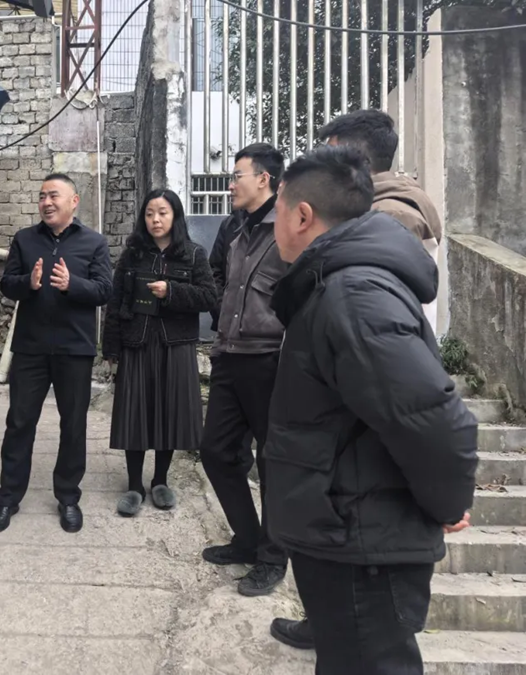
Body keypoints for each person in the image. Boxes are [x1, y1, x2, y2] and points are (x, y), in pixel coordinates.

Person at [266, 145, 478, 674]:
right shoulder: (338, 284)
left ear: (302, 215)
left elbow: (433, 419)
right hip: (346, 528)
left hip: (364, 545)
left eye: (276, 213)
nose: (273, 227)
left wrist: (447, 504)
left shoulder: (353, 294)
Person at [0, 174, 112, 534]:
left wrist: (73, 285)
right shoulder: (25, 239)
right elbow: (6, 284)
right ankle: (8, 497)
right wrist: (28, 283)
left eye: (53, 195)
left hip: (75, 349)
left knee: (73, 424)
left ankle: (68, 497)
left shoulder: (94, 242)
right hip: (31, 348)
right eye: (42, 196)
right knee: (19, 422)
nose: (46, 202)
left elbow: (105, 290)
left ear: (74, 201)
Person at [199, 143, 289, 597]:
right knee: (215, 450)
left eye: (237, 176)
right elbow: (219, 276)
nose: (231, 184)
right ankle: (248, 539)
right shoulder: (236, 228)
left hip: (269, 360)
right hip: (229, 354)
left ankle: (273, 558)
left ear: (264, 179)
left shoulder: (288, 228)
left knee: (273, 463)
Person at [102, 189, 218, 517]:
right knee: (135, 413)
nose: (155, 219)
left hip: (175, 345)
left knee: (169, 413)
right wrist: (111, 348)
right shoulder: (133, 255)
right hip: (137, 342)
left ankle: (160, 480)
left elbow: (209, 297)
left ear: (175, 216)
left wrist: (172, 291)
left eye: (163, 213)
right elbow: (116, 301)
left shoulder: (193, 255)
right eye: (150, 213)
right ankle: (134, 485)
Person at [317, 109, 443, 332]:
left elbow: (385, 310)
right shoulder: (373, 207)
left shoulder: (393, 215)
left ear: (359, 163)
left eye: (330, 155)